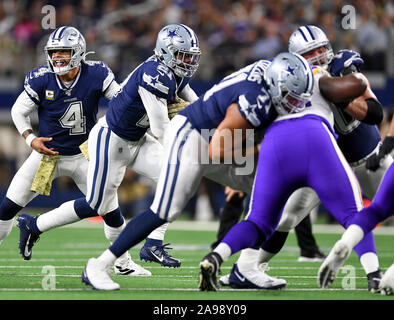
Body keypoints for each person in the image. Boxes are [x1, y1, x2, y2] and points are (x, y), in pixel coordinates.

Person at [79, 50, 304, 290]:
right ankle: (99, 265)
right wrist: (255, 154)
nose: (294, 104)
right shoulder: (254, 99)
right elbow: (219, 148)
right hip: (193, 137)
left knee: (274, 194)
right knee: (165, 211)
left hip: (216, 138)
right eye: (290, 96)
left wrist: (243, 168)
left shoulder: (269, 77)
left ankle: (247, 267)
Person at [16, 23, 201, 271]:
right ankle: (34, 225)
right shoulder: (155, 75)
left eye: (190, 55)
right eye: (182, 55)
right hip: (112, 140)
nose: (187, 61)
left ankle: (153, 243)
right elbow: (161, 129)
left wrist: (207, 115)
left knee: (179, 178)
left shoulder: (173, 71)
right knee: (95, 204)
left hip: (138, 139)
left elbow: (189, 95)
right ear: (166, 52)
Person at [198, 40, 378, 291]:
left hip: (278, 143)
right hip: (318, 140)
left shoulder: (264, 88)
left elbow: (249, 126)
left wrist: (241, 170)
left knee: (262, 221)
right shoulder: (318, 75)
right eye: (311, 53)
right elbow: (365, 101)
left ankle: (217, 258)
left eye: (320, 50)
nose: (317, 56)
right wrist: (355, 80)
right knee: (353, 213)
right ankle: (374, 274)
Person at [0, 25, 151, 276]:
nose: (57, 57)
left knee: (110, 211)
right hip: (47, 155)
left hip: (84, 154)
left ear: (79, 52)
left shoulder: (96, 73)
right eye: (54, 52)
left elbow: (120, 100)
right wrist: (30, 139)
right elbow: (18, 111)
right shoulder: (41, 77)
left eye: (64, 51)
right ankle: (30, 226)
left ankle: (123, 263)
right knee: (7, 208)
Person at [318, 54, 394, 295]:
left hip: (393, 163)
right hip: (364, 158)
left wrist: (383, 151)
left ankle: (345, 243)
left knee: (375, 210)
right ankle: (393, 278)